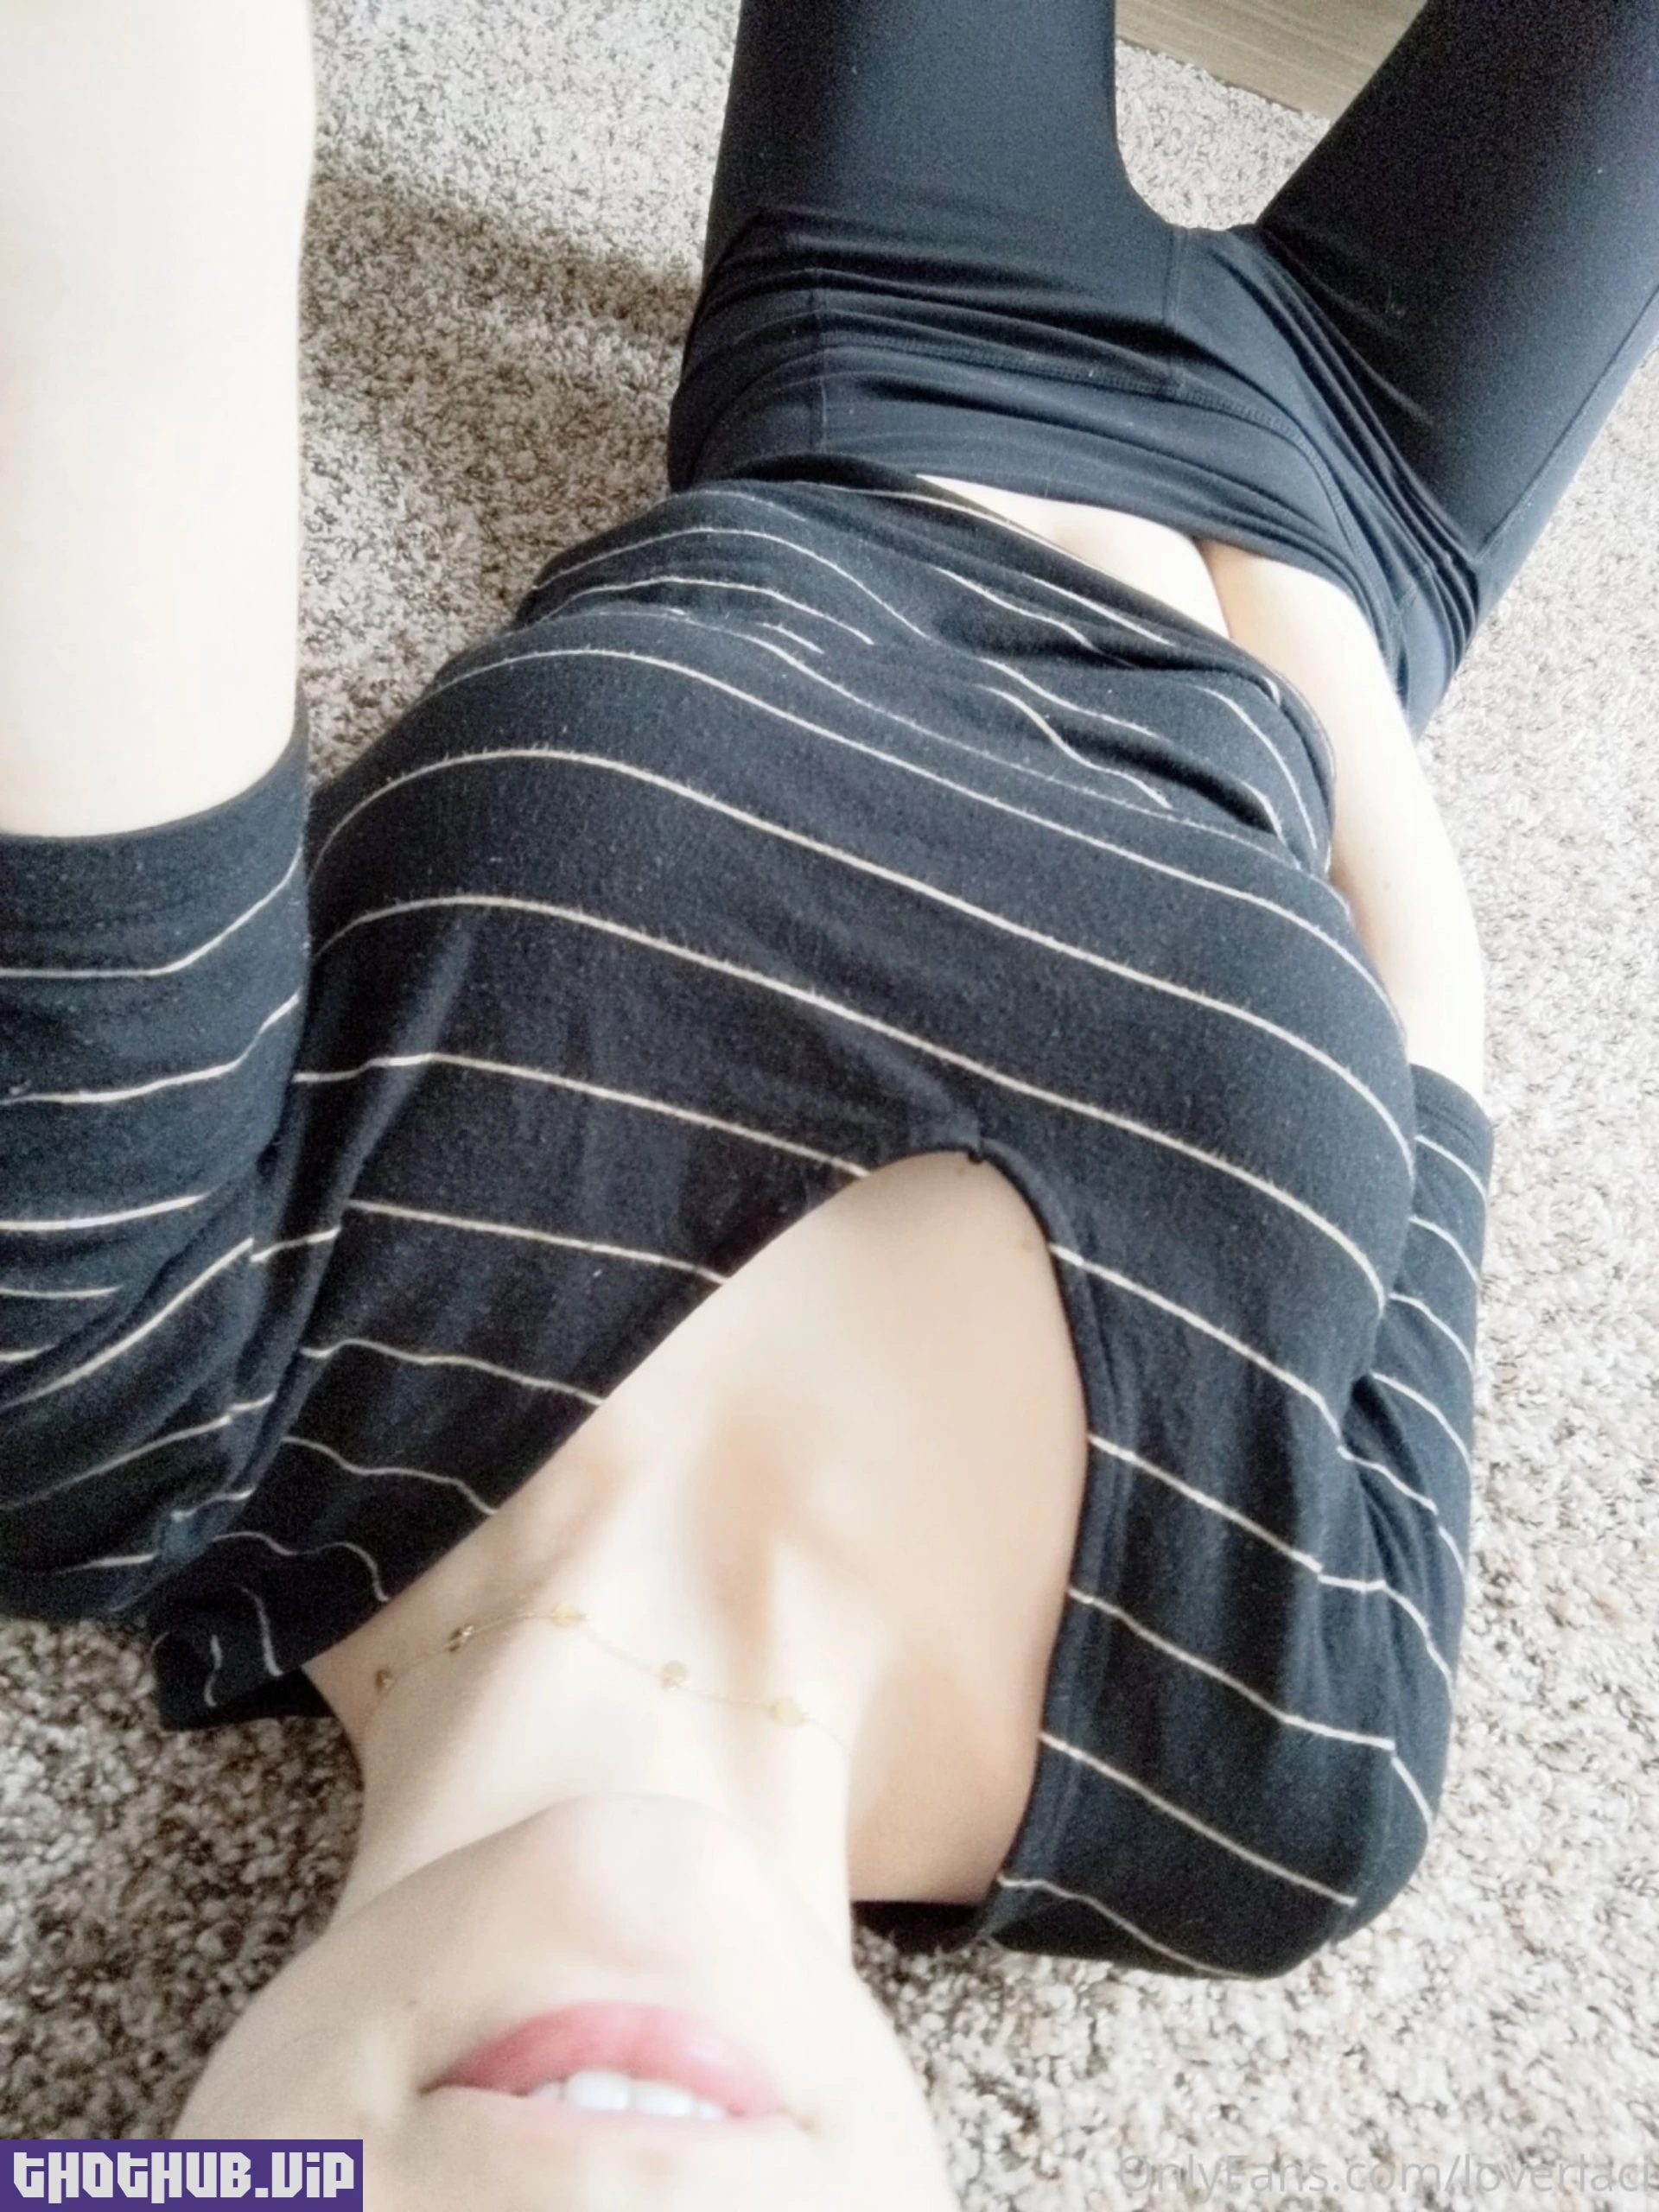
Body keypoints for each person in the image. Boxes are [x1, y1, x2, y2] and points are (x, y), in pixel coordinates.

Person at [2, 0, 1654, 2198]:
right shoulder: (1282, 1777)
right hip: (1365, 502)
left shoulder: (126, 1376)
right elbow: (1435, 1039)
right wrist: (1313, 621)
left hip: (881, 332)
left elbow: (109, 230)